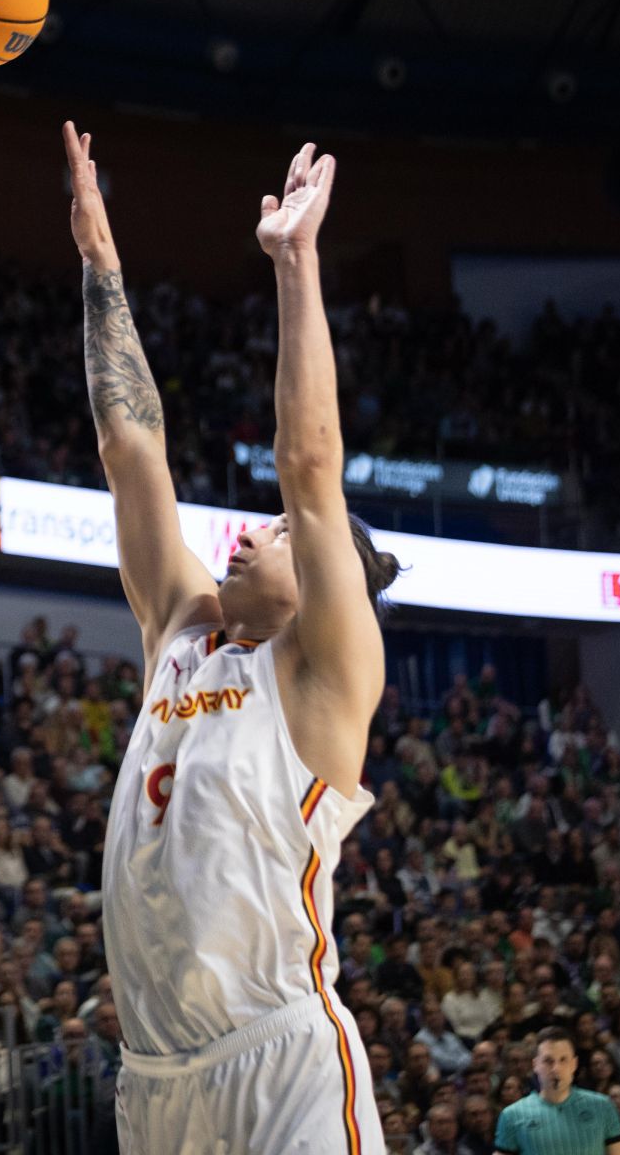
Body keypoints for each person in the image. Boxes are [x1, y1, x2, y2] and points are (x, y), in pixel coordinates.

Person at [63, 125, 397, 1152]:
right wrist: (99, 265)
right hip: (158, 1080)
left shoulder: (324, 673)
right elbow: (130, 449)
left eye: (279, 532)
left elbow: (308, 461)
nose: (248, 529)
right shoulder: (181, 625)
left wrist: (294, 262)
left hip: (283, 1057)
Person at [495, 1028, 620, 1155]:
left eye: (563, 1060)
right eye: (548, 1061)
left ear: (574, 1064)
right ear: (535, 1065)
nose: (556, 1068)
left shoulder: (603, 1107)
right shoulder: (512, 1115)